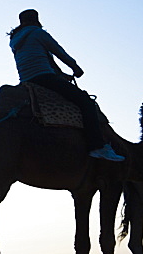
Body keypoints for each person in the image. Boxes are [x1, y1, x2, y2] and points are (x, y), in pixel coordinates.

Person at [8, 9, 123, 161]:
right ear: (36, 19)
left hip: (27, 80)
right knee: (86, 102)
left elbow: (44, 59)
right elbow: (59, 52)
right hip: (44, 77)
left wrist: (62, 75)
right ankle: (97, 146)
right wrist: (76, 68)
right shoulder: (38, 33)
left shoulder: (15, 41)